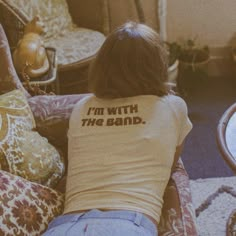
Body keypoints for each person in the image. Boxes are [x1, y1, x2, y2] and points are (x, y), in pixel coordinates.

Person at [43, 21, 192, 236]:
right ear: (158, 66)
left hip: (67, 225)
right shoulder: (173, 107)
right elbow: (169, 164)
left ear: (101, 64)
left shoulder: (81, 108)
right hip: (129, 222)